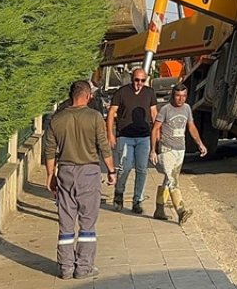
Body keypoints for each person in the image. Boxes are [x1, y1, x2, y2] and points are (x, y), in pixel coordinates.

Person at [43, 80, 116, 281]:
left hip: (65, 172)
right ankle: (83, 267)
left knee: (66, 222)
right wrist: (111, 170)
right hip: (89, 173)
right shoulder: (94, 117)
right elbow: (104, 147)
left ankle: (65, 268)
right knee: (87, 223)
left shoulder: (57, 120)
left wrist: (51, 176)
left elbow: (49, 151)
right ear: (87, 96)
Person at [149, 83, 208, 223]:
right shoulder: (165, 110)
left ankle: (159, 209)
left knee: (169, 179)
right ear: (172, 96)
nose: (180, 99)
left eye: (183, 96)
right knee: (172, 181)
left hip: (180, 149)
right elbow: (155, 129)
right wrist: (153, 150)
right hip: (167, 150)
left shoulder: (187, 108)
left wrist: (200, 143)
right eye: (178, 96)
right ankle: (181, 211)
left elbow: (191, 126)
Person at [107, 67, 158, 213]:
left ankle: (138, 201)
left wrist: (157, 132)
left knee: (142, 169)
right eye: (137, 80)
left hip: (144, 137)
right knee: (125, 167)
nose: (139, 83)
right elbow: (111, 113)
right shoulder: (122, 92)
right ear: (132, 79)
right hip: (125, 136)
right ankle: (119, 194)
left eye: (142, 80)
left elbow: (154, 113)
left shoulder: (150, 93)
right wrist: (110, 134)